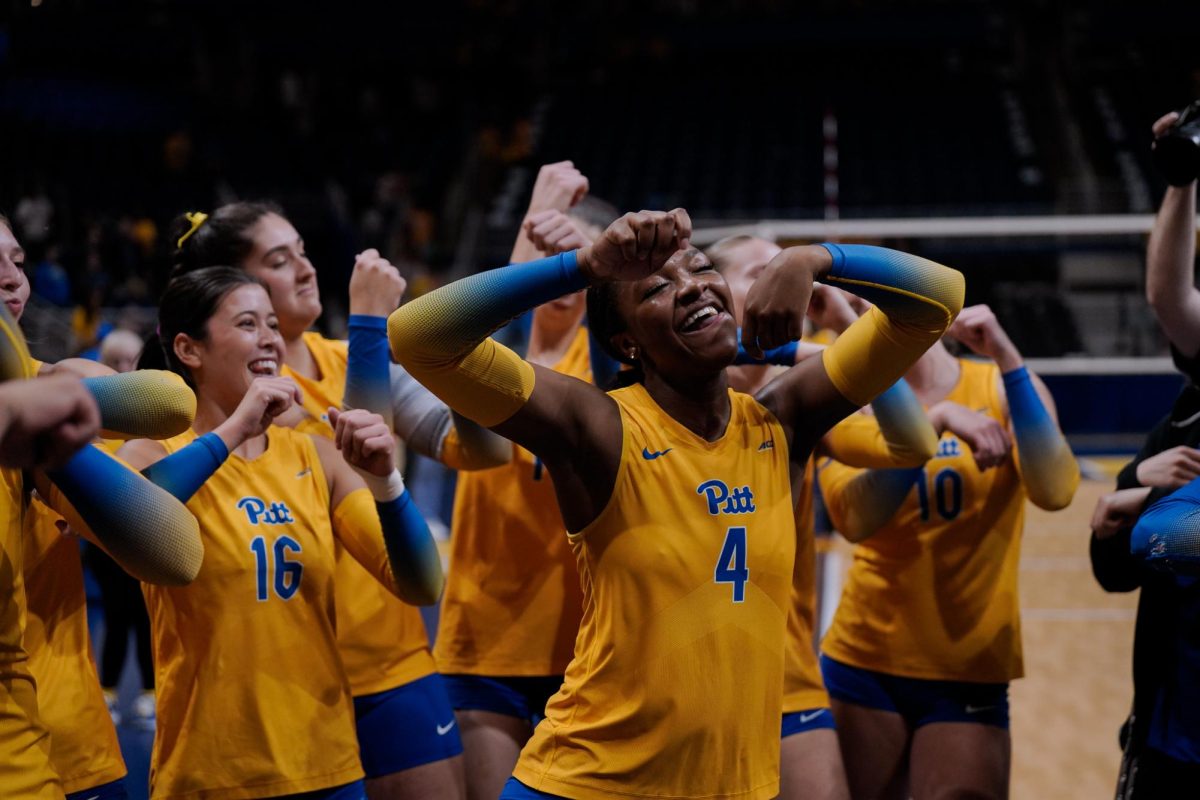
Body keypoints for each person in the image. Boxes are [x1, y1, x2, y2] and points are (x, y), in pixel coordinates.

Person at [389, 208, 964, 799]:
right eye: (659, 288)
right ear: (627, 344)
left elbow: (939, 297)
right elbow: (419, 336)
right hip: (589, 782)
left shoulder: (784, 419)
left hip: (732, 784)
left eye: (702, 267)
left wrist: (814, 258)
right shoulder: (600, 426)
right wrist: (585, 266)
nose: (692, 286)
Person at [170, 202, 509, 799]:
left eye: (302, 250)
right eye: (279, 260)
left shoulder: (347, 357)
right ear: (229, 283)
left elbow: (477, 451)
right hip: (274, 682)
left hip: (389, 662)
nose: (305, 269)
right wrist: (371, 325)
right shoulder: (218, 402)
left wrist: (459, 358)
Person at [118, 266, 443, 799]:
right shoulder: (153, 452)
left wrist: (387, 482)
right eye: (248, 323)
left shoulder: (317, 456)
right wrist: (234, 430)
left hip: (328, 765)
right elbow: (132, 516)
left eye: (272, 323)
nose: (270, 338)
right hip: (210, 772)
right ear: (188, 349)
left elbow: (420, 584)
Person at [816, 303, 1077, 800]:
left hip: (970, 664)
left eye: (895, 297)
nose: (884, 313)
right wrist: (928, 427)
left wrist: (1006, 354)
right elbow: (854, 518)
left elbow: (1056, 490)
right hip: (864, 658)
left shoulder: (997, 385)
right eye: (864, 306)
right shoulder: (848, 399)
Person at [0, 214, 200, 800]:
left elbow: (171, 548)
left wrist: (50, 416)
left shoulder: (53, 389)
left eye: (17, 261)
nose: (11, 280)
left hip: (62, 744)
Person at [435, 162, 616, 800]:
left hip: (590, 645)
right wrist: (534, 228)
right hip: (484, 634)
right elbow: (459, 334)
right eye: (552, 254)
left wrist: (562, 237)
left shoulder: (610, 362)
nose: (562, 271)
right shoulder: (500, 350)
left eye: (580, 258)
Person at [1087, 108, 1200, 798]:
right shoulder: (1184, 424)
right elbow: (1114, 567)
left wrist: (1141, 499)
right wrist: (1183, 181)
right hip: (1169, 738)